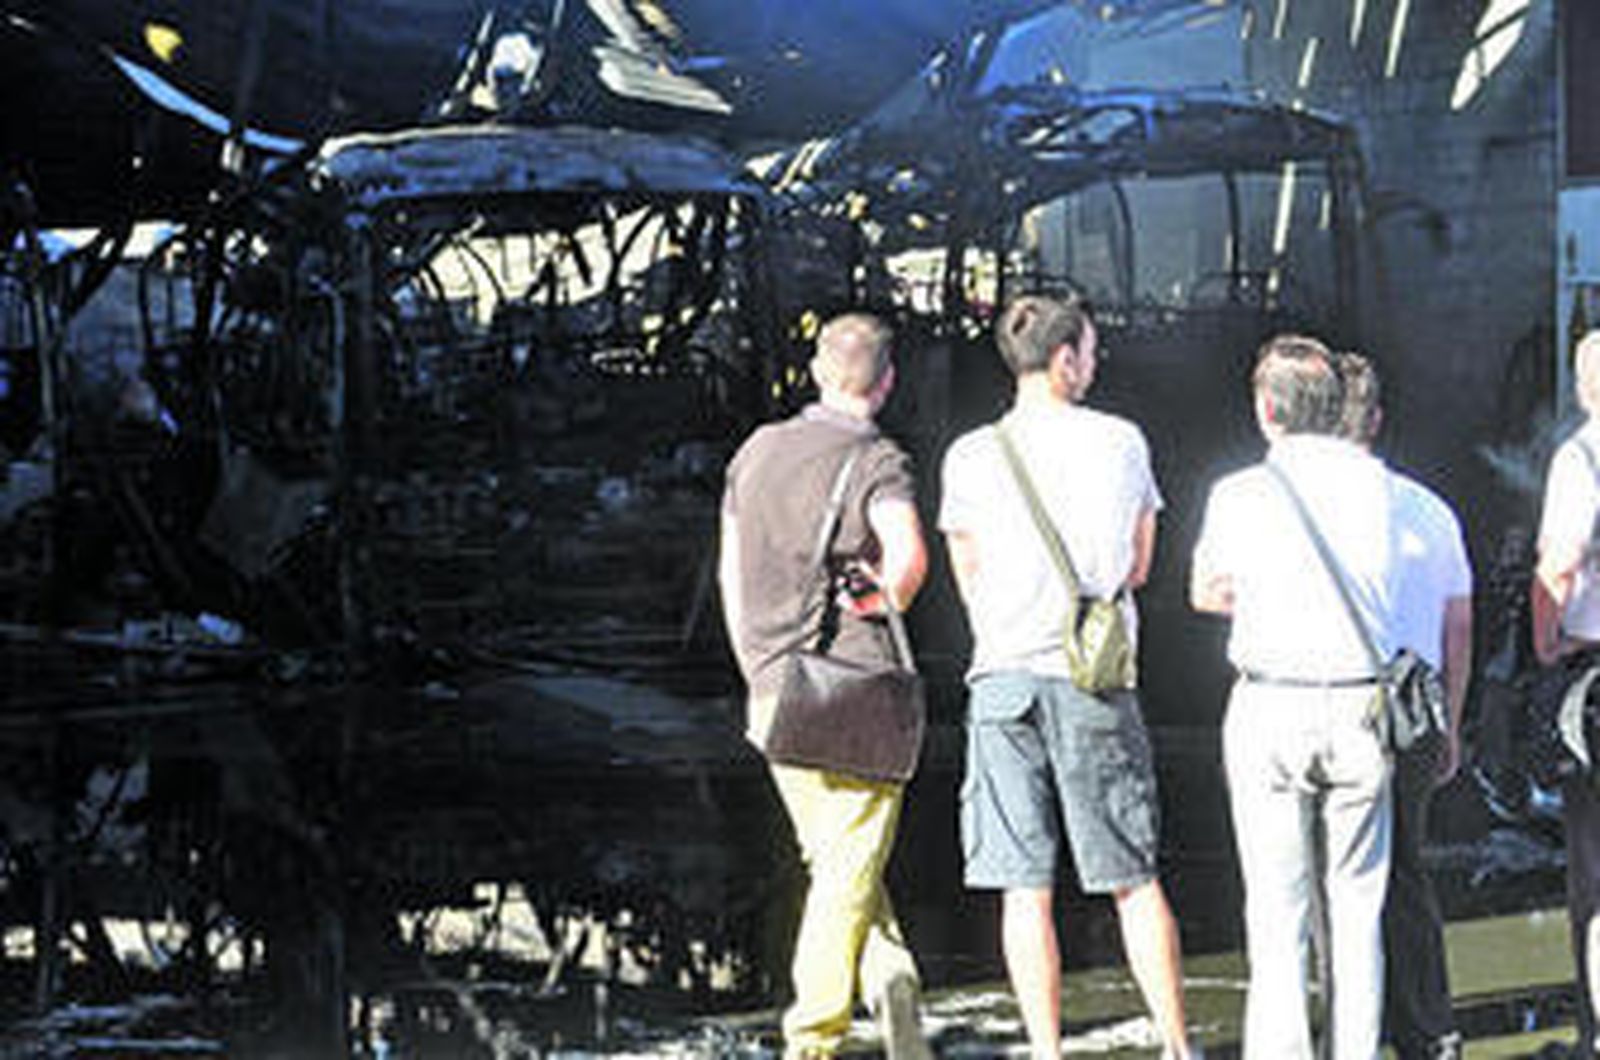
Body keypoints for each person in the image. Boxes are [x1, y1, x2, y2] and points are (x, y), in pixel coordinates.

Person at [939, 293, 1198, 1060]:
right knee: (1132, 875)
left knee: (1025, 886)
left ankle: (1047, 1052)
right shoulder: (1121, 442)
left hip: (1001, 679)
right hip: (1093, 680)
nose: (1095, 363)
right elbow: (1141, 565)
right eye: (1090, 350)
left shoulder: (969, 454)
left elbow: (968, 574)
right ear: (1064, 362)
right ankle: (1179, 1048)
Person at [717, 312, 933, 1060]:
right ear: (888, 382)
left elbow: (728, 568)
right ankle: (813, 1035)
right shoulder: (879, 462)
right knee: (847, 864)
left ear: (815, 370)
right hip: (856, 689)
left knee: (834, 856)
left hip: (773, 686)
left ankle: (892, 975)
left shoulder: (756, 450)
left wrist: (756, 665)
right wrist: (882, 599)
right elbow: (907, 557)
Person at [1191, 334, 1398, 1060]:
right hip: (1360, 708)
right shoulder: (1383, 489)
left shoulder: (1239, 494)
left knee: (1277, 913)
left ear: (1265, 410)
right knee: (1358, 907)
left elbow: (1205, 592)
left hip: (1271, 703)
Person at [1335, 352, 1473, 1060]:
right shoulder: (1430, 510)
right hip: (1414, 709)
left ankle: (1345, 1027)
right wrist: (1450, 719)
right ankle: (1428, 1029)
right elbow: (1458, 629)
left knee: (1336, 874)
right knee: (1407, 871)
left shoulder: (1298, 507)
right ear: (1379, 421)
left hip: (1336, 703)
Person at [1531, 328, 1600, 1058]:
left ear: (1583, 388)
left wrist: (1545, 645)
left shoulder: (1580, 459)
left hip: (1594, 669)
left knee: (1594, 862)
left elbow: (1560, 563)